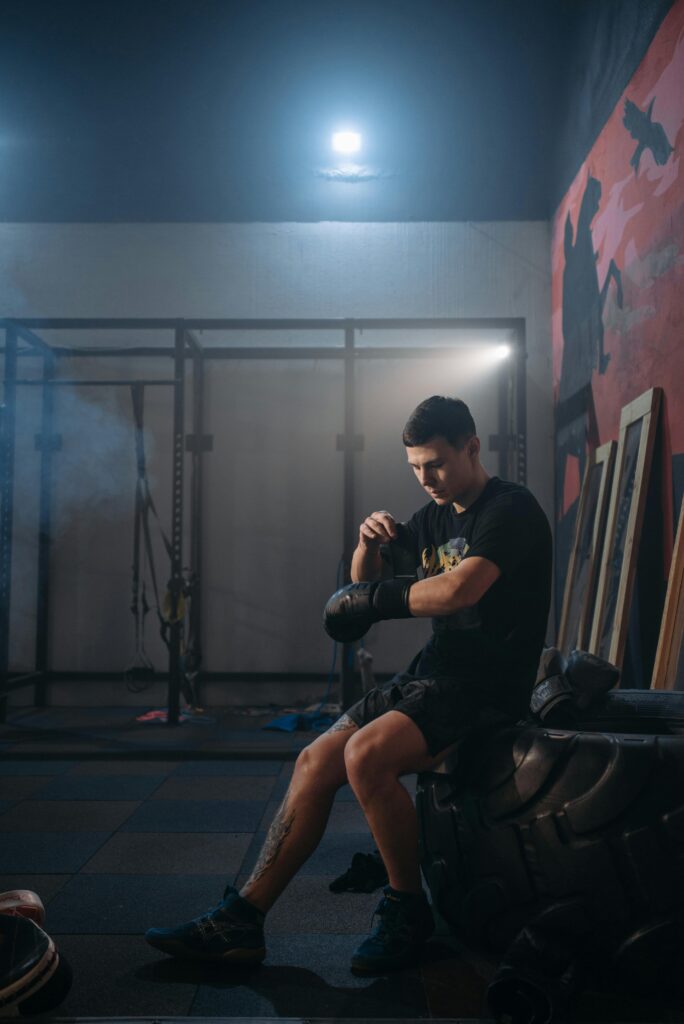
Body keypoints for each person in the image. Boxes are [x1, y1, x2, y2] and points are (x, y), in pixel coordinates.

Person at [145, 395, 552, 974]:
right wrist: (368, 546)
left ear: (472, 446)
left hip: (488, 684)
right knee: (313, 761)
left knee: (365, 757)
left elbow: (458, 590)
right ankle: (244, 920)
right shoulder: (431, 517)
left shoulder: (510, 510)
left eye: (435, 463)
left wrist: (372, 596)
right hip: (434, 674)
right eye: (414, 467)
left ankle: (409, 909)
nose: (425, 478)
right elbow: (364, 592)